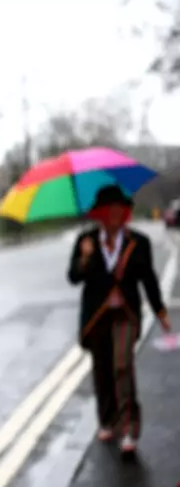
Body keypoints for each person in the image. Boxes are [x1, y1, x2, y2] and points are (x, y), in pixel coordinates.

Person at [67, 185, 171, 456]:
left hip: (125, 315)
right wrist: (85, 258)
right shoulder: (86, 240)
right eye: (109, 210)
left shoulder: (138, 242)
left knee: (122, 366)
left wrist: (160, 312)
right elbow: (74, 277)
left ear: (125, 213)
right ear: (99, 214)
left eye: (119, 210)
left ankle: (129, 429)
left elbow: (148, 279)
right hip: (97, 317)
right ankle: (107, 420)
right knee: (102, 369)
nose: (114, 215)